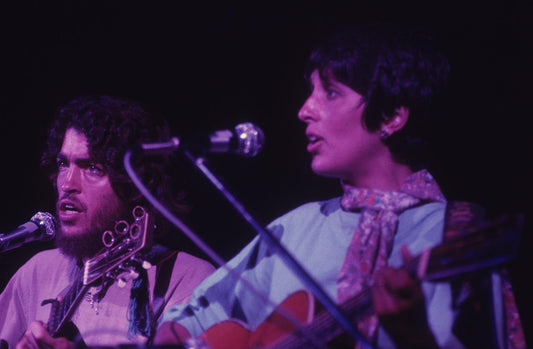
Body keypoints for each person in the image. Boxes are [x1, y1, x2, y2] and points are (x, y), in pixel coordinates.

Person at [153, 23, 526, 348]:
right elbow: (180, 325)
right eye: (310, 91)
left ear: (393, 115)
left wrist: (413, 337)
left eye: (330, 92)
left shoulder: (455, 230)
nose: (304, 110)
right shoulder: (296, 228)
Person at [0, 95, 215, 348]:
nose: (68, 184)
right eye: (62, 163)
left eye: (92, 167)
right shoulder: (37, 272)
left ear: (136, 185)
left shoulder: (190, 281)